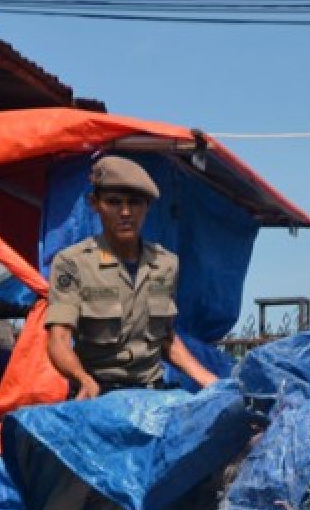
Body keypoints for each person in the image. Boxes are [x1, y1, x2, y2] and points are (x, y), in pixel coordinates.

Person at [45, 156, 218, 399]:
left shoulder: (165, 264)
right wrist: (82, 378)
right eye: (114, 202)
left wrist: (210, 382)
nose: (125, 212)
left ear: (147, 206)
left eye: (135, 203)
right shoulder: (73, 263)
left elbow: (166, 340)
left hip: (150, 397)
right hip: (97, 396)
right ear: (95, 204)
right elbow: (59, 339)